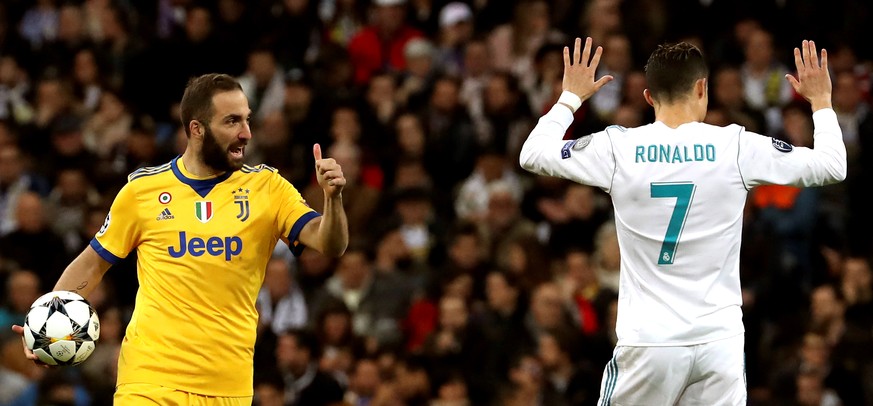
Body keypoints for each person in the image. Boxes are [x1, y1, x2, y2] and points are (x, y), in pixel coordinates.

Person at [519, 37, 846, 405]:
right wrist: (821, 103)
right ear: (702, 87)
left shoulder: (618, 149)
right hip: (718, 342)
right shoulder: (735, 146)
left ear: (647, 97)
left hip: (650, 343)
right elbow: (832, 166)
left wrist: (569, 98)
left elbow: (532, 154)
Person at [11, 72, 349, 405]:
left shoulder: (268, 189)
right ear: (197, 129)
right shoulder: (142, 191)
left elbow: (329, 243)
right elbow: (92, 262)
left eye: (247, 120)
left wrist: (332, 200)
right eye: (232, 121)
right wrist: (45, 325)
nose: (246, 132)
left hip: (226, 386)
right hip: (149, 380)